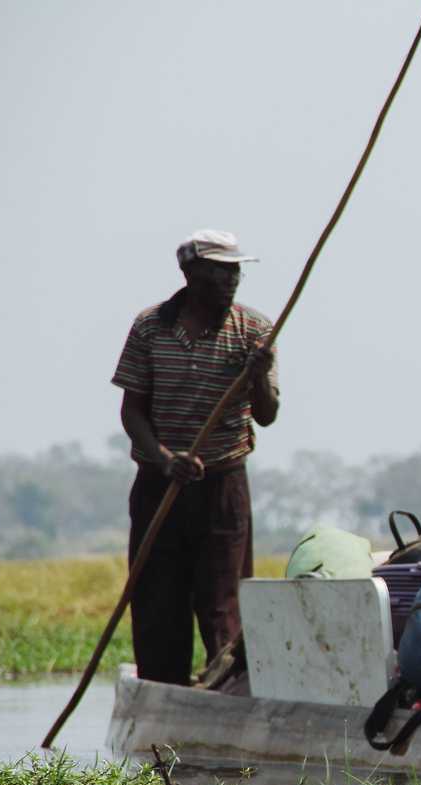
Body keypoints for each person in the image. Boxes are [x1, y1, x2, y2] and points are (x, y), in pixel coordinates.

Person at [111, 229, 279, 685]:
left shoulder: (255, 333)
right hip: (160, 484)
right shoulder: (151, 327)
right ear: (189, 275)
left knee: (223, 599)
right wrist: (166, 459)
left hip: (223, 486)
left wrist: (259, 377)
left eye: (234, 274)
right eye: (217, 275)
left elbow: (267, 415)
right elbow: (132, 412)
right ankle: (165, 690)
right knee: (158, 597)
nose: (229, 283)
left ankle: (226, 685)